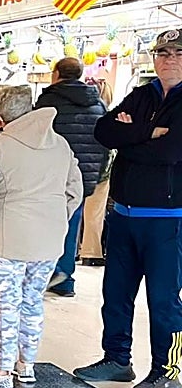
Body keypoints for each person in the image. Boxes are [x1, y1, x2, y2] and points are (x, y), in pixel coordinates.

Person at [74, 29, 182, 388]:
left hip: (168, 219)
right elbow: (104, 131)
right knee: (116, 292)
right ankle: (116, 358)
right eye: (162, 52)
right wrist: (151, 132)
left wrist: (131, 135)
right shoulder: (143, 94)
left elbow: (170, 152)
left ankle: (166, 370)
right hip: (123, 214)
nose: (168, 59)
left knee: (164, 298)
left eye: (177, 53)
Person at [0, 86, 83, 388]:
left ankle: (2, 373)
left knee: (7, 304)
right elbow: (75, 191)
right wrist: (58, 219)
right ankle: (26, 366)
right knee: (32, 301)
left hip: (6, 239)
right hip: (49, 240)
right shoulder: (60, 145)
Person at [33, 57, 107, 298]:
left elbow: (37, 136)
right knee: (71, 223)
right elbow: (105, 141)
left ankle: (45, 274)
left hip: (51, 175)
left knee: (45, 225)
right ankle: (65, 278)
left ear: (56, 74)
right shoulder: (97, 104)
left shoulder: (49, 100)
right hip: (84, 175)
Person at [81, 78, 115, 267]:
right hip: (100, 171)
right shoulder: (107, 116)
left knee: (73, 213)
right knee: (94, 213)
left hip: (76, 169)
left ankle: (74, 251)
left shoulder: (78, 111)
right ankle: (91, 252)